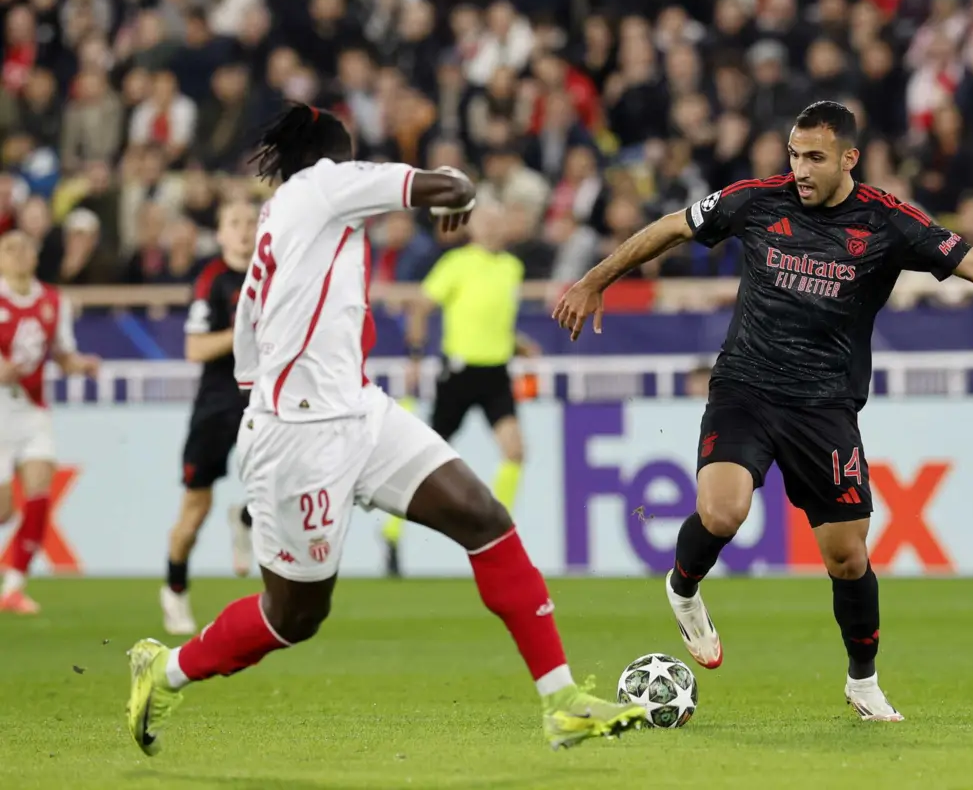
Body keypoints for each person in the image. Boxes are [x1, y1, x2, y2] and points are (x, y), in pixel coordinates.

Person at [553, 101, 973, 722]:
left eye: (815, 157)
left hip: (825, 407)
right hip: (746, 388)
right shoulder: (756, 200)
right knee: (723, 510)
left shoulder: (888, 221)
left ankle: (863, 683)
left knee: (847, 557)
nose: (800, 169)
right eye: (794, 155)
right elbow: (672, 227)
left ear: (849, 159)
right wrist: (595, 279)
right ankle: (683, 588)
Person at [124, 102, 646, 755]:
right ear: (333, 154)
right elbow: (448, 183)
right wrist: (459, 196)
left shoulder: (285, 214)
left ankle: (562, 702)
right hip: (298, 437)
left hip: (358, 412)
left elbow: (250, 341)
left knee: (484, 519)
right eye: (352, 152)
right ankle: (165, 670)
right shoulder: (324, 184)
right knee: (294, 616)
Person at [382, 202, 540, 562]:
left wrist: (519, 344)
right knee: (427, 460)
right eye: (485, 221)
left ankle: (501, 535)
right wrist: (415, 356)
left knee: (515, 451)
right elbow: (420, 307)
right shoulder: (456, 263)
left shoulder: (511, 267)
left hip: (496, 373)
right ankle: (391, 531)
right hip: (458, 373)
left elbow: (493, 320)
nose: (492, 228)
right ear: (472, 228)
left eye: (497, 221)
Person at [161, 200, 259, 636]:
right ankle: (175, 590)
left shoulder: (275, 276)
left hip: (262, 400)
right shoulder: (212, 279)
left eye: (251, 221)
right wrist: (242, 333)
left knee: (289, 477)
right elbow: (195, 348)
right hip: (217, 403)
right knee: (195, 510)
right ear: (219, 234)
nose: (244, 230)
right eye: (234, 222)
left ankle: (248, 518)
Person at [0, 231, 101, 614]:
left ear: (36, 256)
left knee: (40, 493)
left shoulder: (53, 302)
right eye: (9, 249)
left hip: (32, 411)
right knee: (4, 511)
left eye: (25, 248)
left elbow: (63, 354)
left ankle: (13, 587)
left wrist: (82, 365)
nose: (18, 254)